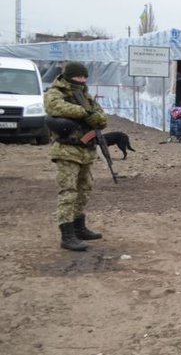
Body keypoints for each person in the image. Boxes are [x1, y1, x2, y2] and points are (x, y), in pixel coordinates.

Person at [44, 62, 108, 251]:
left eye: (84, 77)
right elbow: (54, 107)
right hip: (66, 150)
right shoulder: (56, 92)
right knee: (68, 192)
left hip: (85, 150)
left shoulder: (85, 95)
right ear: (68, 76)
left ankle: (79, 227)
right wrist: (84, 113)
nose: (82, 80)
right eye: (78, 77)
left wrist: (93, 117)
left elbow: (101, 117)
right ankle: (67, 235)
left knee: (84, 189)